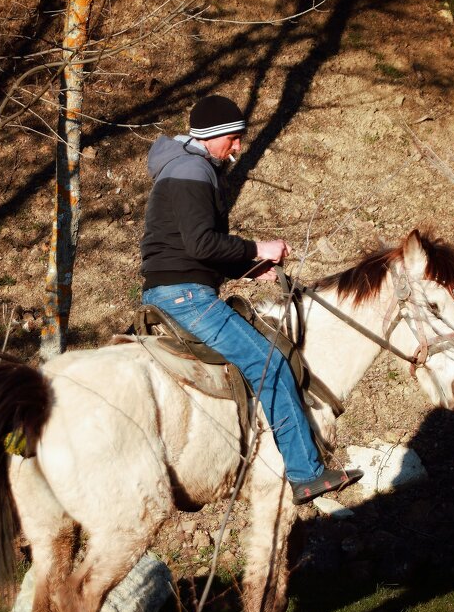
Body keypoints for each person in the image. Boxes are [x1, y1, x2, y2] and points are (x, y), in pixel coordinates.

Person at [140, 93, 362, 504]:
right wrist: (258, 247)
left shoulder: (184, 167)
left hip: (175, 286)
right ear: (211, 136)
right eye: (234, 138)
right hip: (186, 295)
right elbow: (203, 243)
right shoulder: (192, 170)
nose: (238, 147)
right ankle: (306, 473)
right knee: (270, 366)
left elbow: (192, 250)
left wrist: (247, 267)